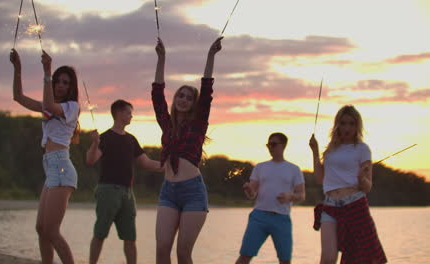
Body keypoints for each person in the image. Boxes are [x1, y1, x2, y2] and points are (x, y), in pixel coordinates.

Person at [152, 36, 223, 264]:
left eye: (189, 98)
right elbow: (156, 95)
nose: (183, 100)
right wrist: (161, 58)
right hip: (169, 192)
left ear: (194, 104)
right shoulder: (167, 124)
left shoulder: (198, 123)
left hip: (193, 193)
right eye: (180, 96)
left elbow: (207, 88)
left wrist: (210, 56)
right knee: (162, 248)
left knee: (183, 253)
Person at [10, 48, 79, 264]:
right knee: (41, 228)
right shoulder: (48, 110)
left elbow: (49, 104)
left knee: (51, 230)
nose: (60, 85)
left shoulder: (71, 107)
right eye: (58, 81)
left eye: (65, 82)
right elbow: (18, 97)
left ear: (71, 87)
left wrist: (47, 71)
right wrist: (18, 69)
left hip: (61, 168)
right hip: (50, 169)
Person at [86, 99, 163, 264]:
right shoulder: (104, 137)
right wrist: (94, 143)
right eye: (129, 112)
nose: (131, 116)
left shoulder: (131, 139)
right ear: (119, 113)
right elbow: (91, 160)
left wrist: (168, 166)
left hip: (128, 193)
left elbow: (146, 162)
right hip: (107, 190)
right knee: (100, 233)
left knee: (130, 237)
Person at [309, 105, 387, 264]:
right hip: (330, 206)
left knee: (363, 258)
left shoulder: (362, 149)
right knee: (328, 258)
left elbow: (367, 187)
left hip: (354, 205)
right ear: (338, 124)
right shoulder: (331, 149)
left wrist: (361, 178)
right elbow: (320, 179)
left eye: (351, 124)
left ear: (357, 126)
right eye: (343, 123)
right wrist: (315, 151)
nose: (347, 128)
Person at [236, 132, 305, 264]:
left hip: (282, 218)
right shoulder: (260, 167)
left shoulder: (294, 169)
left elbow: (302, 195)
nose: (270, 147)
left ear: (283, 145)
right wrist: (249, 190)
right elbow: (252, 195)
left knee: (285, 260)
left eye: (274, 144)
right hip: (259, 217)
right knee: (245, 256)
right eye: (268, 144)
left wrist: (290, 196)